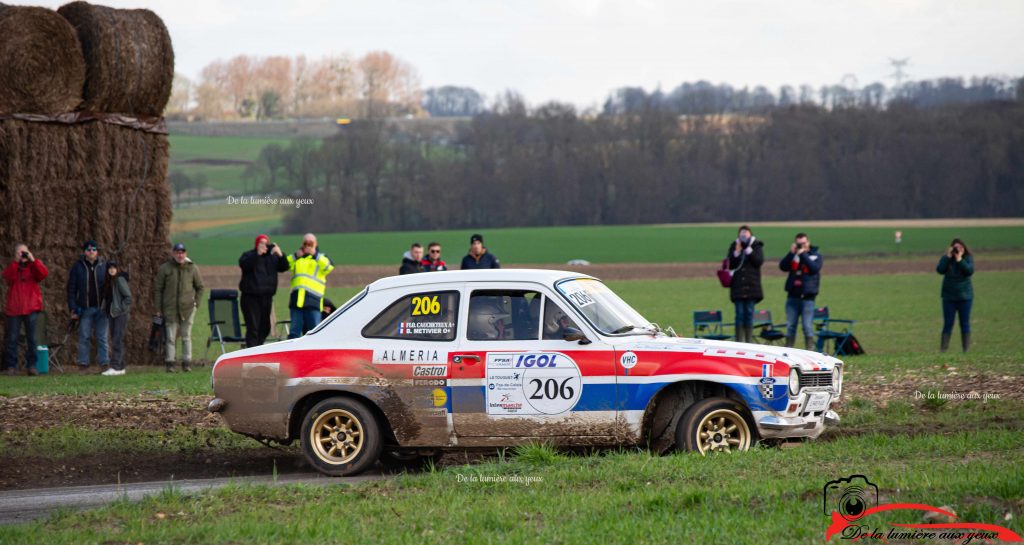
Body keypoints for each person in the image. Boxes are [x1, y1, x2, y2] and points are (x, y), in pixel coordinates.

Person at [155, 243, 205, 373]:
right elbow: (158, 289)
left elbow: (200, 287)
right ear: (173, 253)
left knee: (186, 336)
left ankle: (186, 363)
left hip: (187, 309)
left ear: (185, 254)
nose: (180, 255)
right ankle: (170, 363)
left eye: (182, 252)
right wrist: (159, 308)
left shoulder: (192, 268)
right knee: (170, 338)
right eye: (177, 252)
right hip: (170, 309)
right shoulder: (165, 268)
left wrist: (196, 304)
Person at [3, 244, 48, 376]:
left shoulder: (33, 268)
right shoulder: (13, 268)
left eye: (24, 252)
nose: (22, 255)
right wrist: (16, 262)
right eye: (19, 253)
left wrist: (33, 260)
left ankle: (32, 366)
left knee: (32, 338)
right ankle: (11, 366)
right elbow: (7, 277)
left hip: (31, 308)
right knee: (12, 338)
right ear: (15, 254)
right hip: (14, 309)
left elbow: (43, 274)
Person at [67, 239, 109, 374]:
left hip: (101, 309)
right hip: (85, 309)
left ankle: (104, 364)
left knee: (102, 337)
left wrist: (110, 305)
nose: (91, 252)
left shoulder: (104, 265)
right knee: (84, 337)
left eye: (94, 249)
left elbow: (112, 286)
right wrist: (73, 307)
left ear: (97, 252)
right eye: (89, 249)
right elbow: (71, 289)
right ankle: (83, 365)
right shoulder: (77, 267)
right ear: (84, 252)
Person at [238, 234, 288, 347]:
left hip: (267, 297)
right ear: (256, 244)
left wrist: (280, 254)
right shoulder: (249, 255)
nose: (264, 245)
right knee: (253, 328)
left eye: (266, 243)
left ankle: (257, 348)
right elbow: (243, 264)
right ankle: (251, 353)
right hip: (250, 298)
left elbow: (284, 267)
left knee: (265, 327)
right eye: (261, 243)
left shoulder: (272, 257)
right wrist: (257, 254)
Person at [779, 232, 823, 349]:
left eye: (803, 243)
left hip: (807, 298)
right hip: (792, 297)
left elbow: (814, 268)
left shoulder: (815, 255)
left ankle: (810, 353)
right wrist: (791, 253)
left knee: (807, 327)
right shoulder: (794, 256)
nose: (801, 246)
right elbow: (783, 267)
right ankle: (788, 352)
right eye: (799, 244)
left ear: (808, 242)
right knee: (790, 326)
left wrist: (803, 254)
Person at [287, 233, 334, 338]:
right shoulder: (298, 257)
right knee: (294, 333)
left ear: (315, 244)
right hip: (297, 302)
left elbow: (329, 267)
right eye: (305, 243)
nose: (308, 245)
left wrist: (315, 255)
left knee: (315, 334)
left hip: (313, 302)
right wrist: (295, 256)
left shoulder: (321, 257)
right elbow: (284, 264)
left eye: (310, 243)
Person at [727, 225, 764, 344]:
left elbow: (758, 261)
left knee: (749, 314)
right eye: (741, 234)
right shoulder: (734, 246)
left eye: (746, 233)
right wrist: (737, 252)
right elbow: (730, 264)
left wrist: (748, 249)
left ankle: (748, 340)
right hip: (738, 288)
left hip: (752, 287)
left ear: (750, 234)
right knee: (739, 315)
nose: (743, 236)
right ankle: (739, 340)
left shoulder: (756, 246)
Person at [936, 238, 974, 353]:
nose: (957, 250)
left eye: (959, 247)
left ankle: (966, 350)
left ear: (963, 248)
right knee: (948, 323)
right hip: (949, 296)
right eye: (955, 248)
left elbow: (969, 271)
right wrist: (947, 257)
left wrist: (959, 259)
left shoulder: (967, 258)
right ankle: (943, 349)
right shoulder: (947, 259)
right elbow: (940, 270)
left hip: (965, 296)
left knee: (965, 323)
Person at [100, 261, 132, 376]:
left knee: (117, 340)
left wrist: (119, 309)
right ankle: (121, 366)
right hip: (112, 314)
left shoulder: (119, 280)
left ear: (117, 269)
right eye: (110, 268)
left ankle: (115, 366)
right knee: (115, 339)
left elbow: (128, 297)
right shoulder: (109, 282)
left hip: (119, 315)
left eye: (114, 267)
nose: (112, 270)